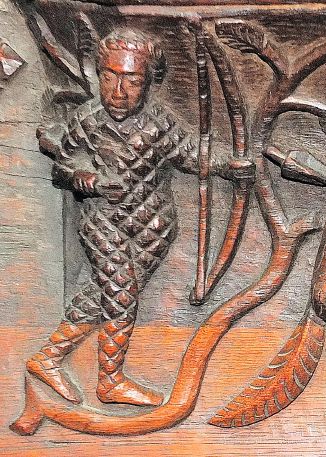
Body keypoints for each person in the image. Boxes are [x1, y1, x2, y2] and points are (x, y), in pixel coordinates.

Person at [28, 28, 252, 406]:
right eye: (110, 77)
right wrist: (87, 178)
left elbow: (189, 155)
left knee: (105, 294)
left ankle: (48, 357)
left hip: (153, 229)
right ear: (99, 73)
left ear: (148, 82)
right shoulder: (87, 120)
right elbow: (62, 169)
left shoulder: (159, 122)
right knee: (121, 294)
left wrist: (228, 166)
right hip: (103, 222)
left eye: (132, 80)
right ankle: (110, 381)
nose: (119, 91)